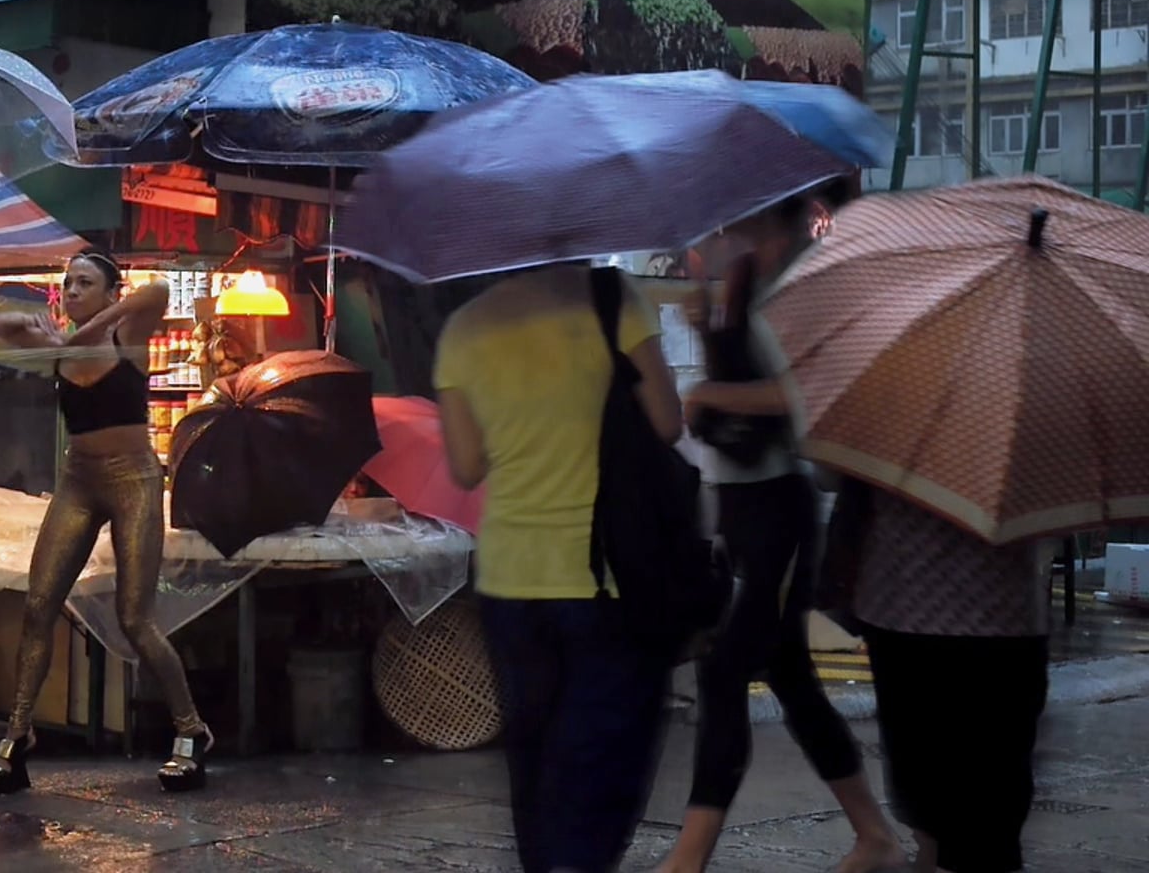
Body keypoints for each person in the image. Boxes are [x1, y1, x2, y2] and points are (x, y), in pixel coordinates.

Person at [657, 195, 903, 873]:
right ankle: (874, 835)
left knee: (726, 668)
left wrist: (712, 397)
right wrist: (708, 332)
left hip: (781, 511)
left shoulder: (805, 285)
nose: (723, 225)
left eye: (735, 215)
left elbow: (809, 396)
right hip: (738, 503)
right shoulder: (745, 282)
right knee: (791, 678)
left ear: (768, 214)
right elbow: (744, 381)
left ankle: (689, 855)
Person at [434, 262, 684, 873]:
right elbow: (668, 422)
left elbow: (466, 466)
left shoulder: (463, 327)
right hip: (606, 575)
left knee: (536, 756)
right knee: (603, 757)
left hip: (510, 578)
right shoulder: (611, 299)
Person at [0, 249, 211, 795]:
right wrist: (58, 332)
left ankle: (191, 732)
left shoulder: (127, 333)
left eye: (85, 283)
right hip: (78, 483)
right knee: (39, 605)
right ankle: (18, 739)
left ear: (111, 293)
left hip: (134, 481)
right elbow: (2, 322)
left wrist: (95, 324)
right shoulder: (57, 344)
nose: (72, 290)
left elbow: (155, 291)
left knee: (136, 618)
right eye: (67, 283)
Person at [844, 480, 1051, 873]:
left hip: (909, 611)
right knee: (993, 805)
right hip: (1005, 621)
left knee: (929, 796)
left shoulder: (892, 424)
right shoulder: (1025, 430)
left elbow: (831, 476)